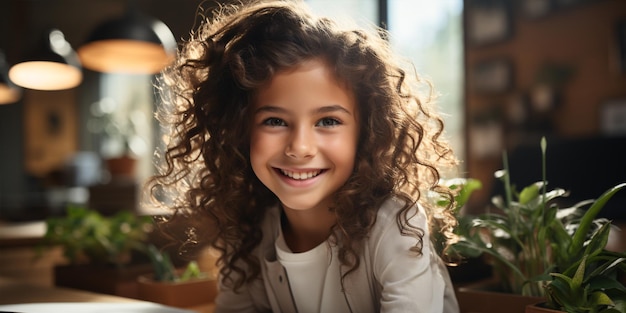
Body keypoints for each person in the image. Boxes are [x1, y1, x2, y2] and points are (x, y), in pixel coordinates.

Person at [147, 0, 461, 312]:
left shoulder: (396, 223)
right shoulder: (250, 230)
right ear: (239, 129)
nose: (299, 147)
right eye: (275, 121)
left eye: (328, 121)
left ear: (366, 133)